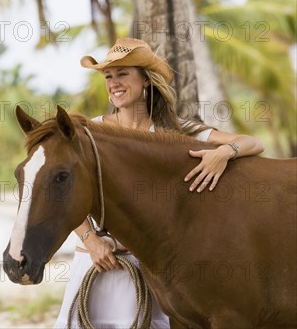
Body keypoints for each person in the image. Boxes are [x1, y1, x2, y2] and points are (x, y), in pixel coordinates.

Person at [54, 38, 265, 328]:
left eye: (123, 74)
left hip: (150, 269)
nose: (114, 83)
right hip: (97, 261)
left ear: (145, 80)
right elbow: (66, 192)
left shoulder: (172, 131)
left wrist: (224, 154)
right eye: (108, 77)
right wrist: (91, 241)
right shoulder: (92, 132)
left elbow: (252, 142)